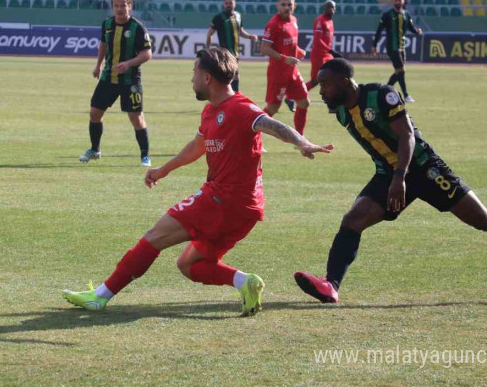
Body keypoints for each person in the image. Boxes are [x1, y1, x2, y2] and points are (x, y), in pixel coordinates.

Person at [63, 47, 334, 315]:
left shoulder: (241, 108)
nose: (191, 78)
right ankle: (245, 282)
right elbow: (197, 146)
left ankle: (100, 296)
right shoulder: (210, 111)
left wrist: (302, 142)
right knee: (189, 264)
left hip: (224, 200)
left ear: (207, 78)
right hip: (245, 209)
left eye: (194, 72)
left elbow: (273, 125)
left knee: (154, 237)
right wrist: (162, 170)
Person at [293, 58, 487, 304]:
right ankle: (331, 286)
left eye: (325, 84)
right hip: (388, 174)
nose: (322, 90)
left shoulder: (382, 95)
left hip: (425, 169)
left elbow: (407, 136)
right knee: (352, 220)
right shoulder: (341, 111)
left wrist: (400, 177)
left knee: (485, 221)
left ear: (344, 82)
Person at [79, 0, 154, 166]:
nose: (119, 9)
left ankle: (145, 155)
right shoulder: (107, 24)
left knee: (136, 117)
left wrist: (128, 64)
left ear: (130, 6)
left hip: (130, 80)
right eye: (116, 5)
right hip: (108, 77)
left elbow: (147, 54)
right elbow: (103, 45)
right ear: (112, 7)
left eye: (123, 5)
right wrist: (98, 65)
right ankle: (95, 150)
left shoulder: (137, 27)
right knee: (95, 113)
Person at [259, 0, 309, 134]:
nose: (287, 7)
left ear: (295, 5)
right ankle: (252, 136)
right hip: (278, 74)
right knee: (272, 109)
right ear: (277, 6)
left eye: (289, 4)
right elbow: (264, 48)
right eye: (283, 5)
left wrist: (298, 51)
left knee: (304, 102)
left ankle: (300, 138)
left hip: (292, 73)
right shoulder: (273, 25)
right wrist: (284, 58)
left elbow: (289, 44)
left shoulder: (293, 20)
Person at [373, 0, 421, 103]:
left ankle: (384, 90)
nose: (398, 1)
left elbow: (411, 27)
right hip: (392, 47)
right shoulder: (387, 15)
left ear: (403, 1)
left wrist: (417, 32)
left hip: (402, 46)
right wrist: (375, 44)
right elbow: (379, 31)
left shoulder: (406, 14)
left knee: (399, 71)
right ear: (393, 1)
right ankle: (406, 95)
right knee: (401, 70)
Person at [205, 0, 258, 91]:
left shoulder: (238, 16)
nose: (228, 5)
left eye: (230, 3)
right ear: (223, 4)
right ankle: (234, 95)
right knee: (233, 74)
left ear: (234, 3)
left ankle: (228, 96)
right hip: (225, 52)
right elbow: (209, 34)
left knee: (231, 75)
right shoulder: (218, 18)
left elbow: (241, 31)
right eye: (226, 3)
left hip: (236, 52)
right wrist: (207, 49)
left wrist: (250, 36)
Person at [305, 0, 341, 93]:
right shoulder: (320, 21)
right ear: (324, 8)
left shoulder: (330, 21)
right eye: (329, 7)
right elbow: (318, 40)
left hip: (327, 54)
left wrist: (330, 52)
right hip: (319, 55)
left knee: (335, 73)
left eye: (333, 7)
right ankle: (293, 97)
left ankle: (333, 98)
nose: (331, 9)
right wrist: (331, 51)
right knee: (315, 81)